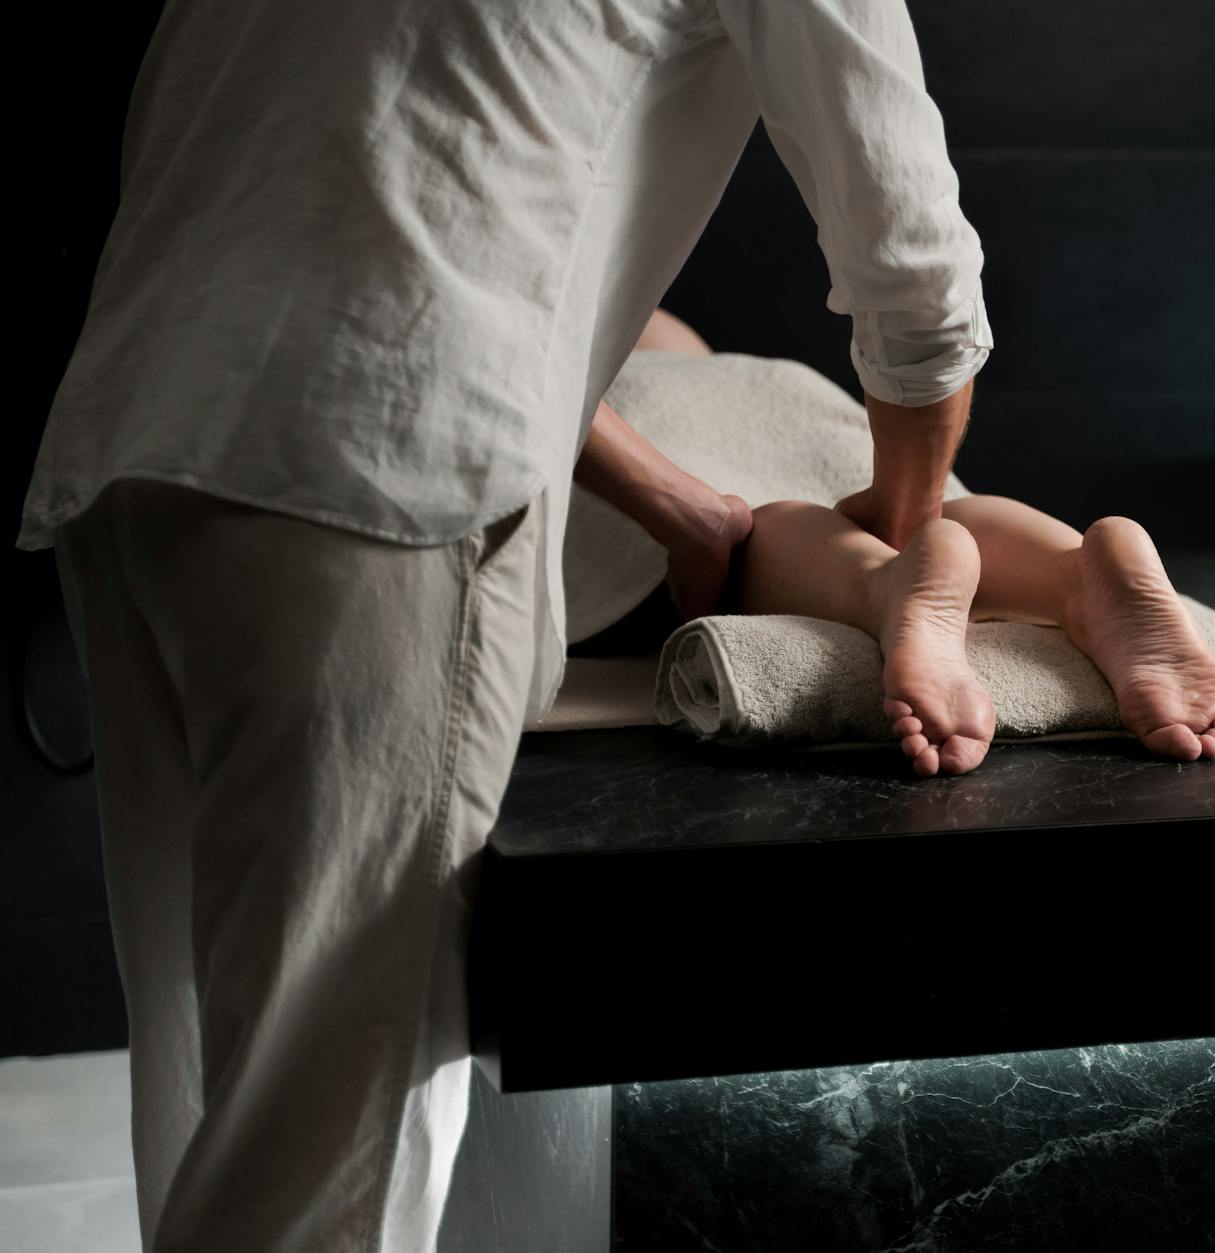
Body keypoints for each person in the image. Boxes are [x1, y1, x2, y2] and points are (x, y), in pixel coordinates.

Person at [21, 3, 990, 1250]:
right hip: (372, 474)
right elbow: (913, 267)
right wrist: (904, 533)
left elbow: (376, 198)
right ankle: (984, 575)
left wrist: (682, 504)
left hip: (137, 444)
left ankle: (1000, 575)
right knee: (328, 1158)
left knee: (216, 1088)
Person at [606, 311, 1215, 776]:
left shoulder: (574, 332)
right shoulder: (669, 332)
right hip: (794, 401)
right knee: (942, 513)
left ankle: (886, 587)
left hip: (639, 426)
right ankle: (1075, 573)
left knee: (766, 528)